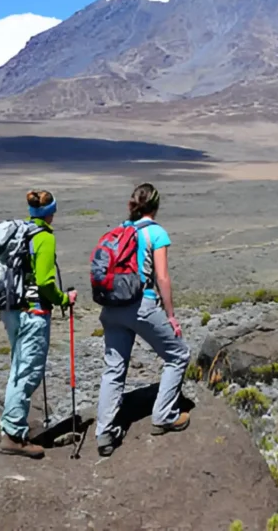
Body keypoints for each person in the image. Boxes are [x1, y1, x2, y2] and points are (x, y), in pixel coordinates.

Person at [96, 183, 191, 457]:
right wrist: (171, 316)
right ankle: (164, 415)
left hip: (112, 307)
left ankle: (104, 432)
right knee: (179, 355)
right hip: (141, 304)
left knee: (114, 368)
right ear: (156, 206)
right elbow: (162, 277)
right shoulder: (156, 233)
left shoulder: (120, 230)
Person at [0, 189, 77, 459]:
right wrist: (63, 298)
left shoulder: (21, 233)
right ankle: (13, 436)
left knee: (18, 368)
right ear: (50, 213)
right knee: (28, 372)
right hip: (33, 313)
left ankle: (11, 428)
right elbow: (45, 282)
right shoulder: (43, 238)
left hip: (12, 311)